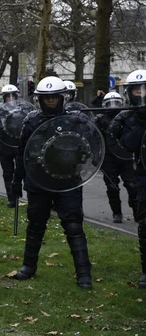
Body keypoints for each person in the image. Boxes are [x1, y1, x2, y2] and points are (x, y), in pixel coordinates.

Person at [12, 76, 93, 289]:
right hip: (38, 182)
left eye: (54, 98)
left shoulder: (75, 120)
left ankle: (84, 273)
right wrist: (16, 180)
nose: (50, 101)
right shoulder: (31, 120)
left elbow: (87, 148)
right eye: (46, 98)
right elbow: (23, 152)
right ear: (40, 99)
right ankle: (29, 266)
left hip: (68, 181)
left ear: (62, 97)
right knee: (36, 225)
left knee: (74, 225)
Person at [109, 69, 146, 289]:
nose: (141, 93)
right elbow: (126, 145)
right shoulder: (125, 118)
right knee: (145, 222)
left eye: (145, 89)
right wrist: (139, 121)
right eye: (137, 90)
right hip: (143, 174)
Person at [94, 92, 137, 223]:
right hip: (108, 158)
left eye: (116, 103)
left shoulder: (127, 117)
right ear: (104, 105)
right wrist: (97, 157)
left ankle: (136, 210)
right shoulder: (100, 119)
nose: (113, 107)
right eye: (109, 104)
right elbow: (95, 139)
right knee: (112, 187)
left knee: (132, 185)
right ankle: (117, 213)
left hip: (125, 156)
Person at [0, 84, 21, 208]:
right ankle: (11, 198)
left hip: (19, 146)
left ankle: (22, 195)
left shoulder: (23, 110)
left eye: (13, 97)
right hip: (5, 147)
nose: (10, 99)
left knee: (22, 173)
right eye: (8, 97)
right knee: (8, 173)